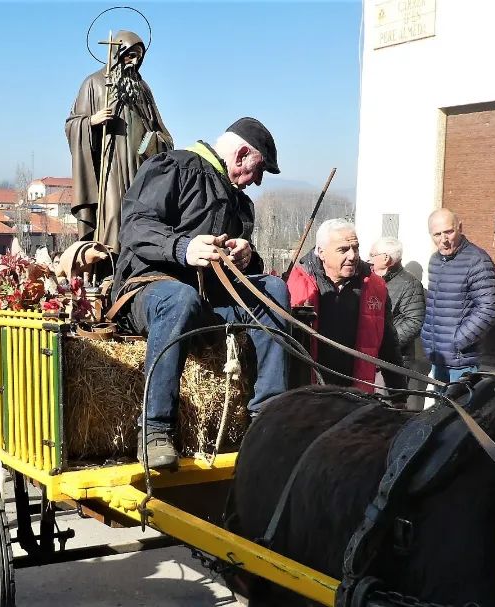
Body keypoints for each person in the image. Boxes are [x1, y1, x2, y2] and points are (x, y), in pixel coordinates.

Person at [112, 117, 289, 470]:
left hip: (208, 303)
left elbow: (246, 270)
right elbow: (135, 227)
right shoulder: (172, 167)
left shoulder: (240, 203)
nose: (257, 181)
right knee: (180, 297)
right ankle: (155, 430)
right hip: (149, 293)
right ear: (241, 154)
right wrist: (182, 248)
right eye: (259, 170)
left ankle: (268, 420)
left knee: (274, 288)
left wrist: (247, 255)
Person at [66, 30, 173, 251]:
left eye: (139, 56)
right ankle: (108, 266)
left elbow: (160, 129)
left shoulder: (142, 88)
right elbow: (71, 124)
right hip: (111, 163)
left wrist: (156, 142)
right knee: (113, 213)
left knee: (139, 215)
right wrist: (91, 121)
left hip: (140, 167)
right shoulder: (94, 83)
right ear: (116, 53)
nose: (134, 61)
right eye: (129, 54)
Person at [287, 220, 405, 392]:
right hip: (308, 393)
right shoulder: (296, 283)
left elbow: (388, 341)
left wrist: (398, 392)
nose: (352, 256)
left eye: (355, 248)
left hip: (354, 395)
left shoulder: (374, 287)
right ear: (321, 252)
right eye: (343, 250)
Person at [420, 208, 495, 386]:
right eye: (437, 234)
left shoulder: (477, 260)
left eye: (449, 232)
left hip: (462, 361)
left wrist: (458, 341)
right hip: (437, 356)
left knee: (460, 410)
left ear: (460, 228)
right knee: (439, 411)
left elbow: (490, 308)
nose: (444, 240)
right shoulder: (435, 260)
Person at [369, 236, 425, 370]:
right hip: (367, 356)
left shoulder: (410, 284)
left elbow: (414, 321)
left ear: (386, 258)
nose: (369, 259)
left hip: (394, 360)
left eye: (372, 255)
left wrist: (385, 345)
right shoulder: (368, 279)